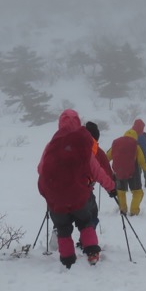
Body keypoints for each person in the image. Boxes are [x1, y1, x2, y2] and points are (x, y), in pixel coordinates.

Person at [38, 109, 116, 268]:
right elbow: (96, 170)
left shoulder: (52, 144)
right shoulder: (83, 142)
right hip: (79, 196)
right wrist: (111, 187)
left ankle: (67, 260)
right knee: (86, 222)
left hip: (57, 199)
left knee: (62, 228)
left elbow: (40, 169)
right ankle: (92, 252)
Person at [106, 129, 146, 216]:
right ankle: (134, 211)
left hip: (119, 171)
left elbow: (108, 157)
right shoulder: (136, 146)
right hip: (133, 172)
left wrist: (102, 163)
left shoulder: (116, 144)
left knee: (121, 191)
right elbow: (141, 161)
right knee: (137, 192)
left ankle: (123, 210)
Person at [84, 121, 114, 230]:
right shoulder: (98, 152)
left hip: (63, 187)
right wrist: (111, 188)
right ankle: (87, 240)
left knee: (63, 217)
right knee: (91, 214)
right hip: (84, 189)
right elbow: (105, 171)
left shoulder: (71, 144)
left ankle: (58, 230)